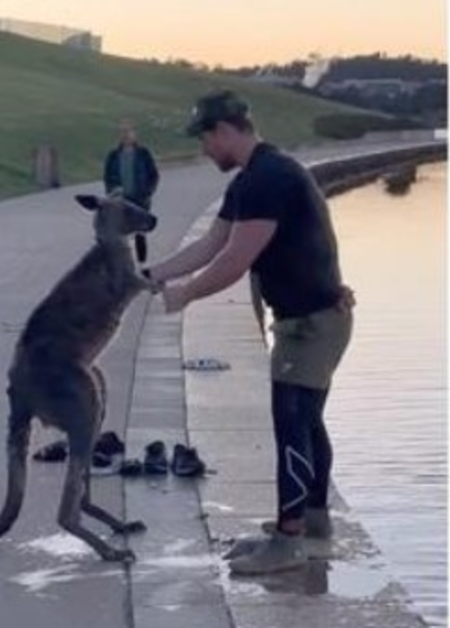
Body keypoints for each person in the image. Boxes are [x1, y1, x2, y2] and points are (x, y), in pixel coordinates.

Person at [143, 90, 353, 575]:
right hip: (312, 320)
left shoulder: (269, 179)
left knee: (292, 421)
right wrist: (155, 276)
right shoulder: (253, 178)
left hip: (312, 325)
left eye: (204, 139)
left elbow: (235, 261)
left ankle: (289, 540)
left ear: (223, 131)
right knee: (306, 420)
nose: (203, 150)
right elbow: (210, 243)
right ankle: (311, 519)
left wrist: (185, 295)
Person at [104, 119, 160, 263]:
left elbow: (153, 175)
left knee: (140, 234)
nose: (125, 135)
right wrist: (112, 193)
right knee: (120, 234)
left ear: (134, 134)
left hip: (140, 199)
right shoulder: (113, 156)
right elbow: (108, 177)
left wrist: (148, 192)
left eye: (128, 132)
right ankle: (124, 265)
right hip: (121, 200)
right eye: (122, 132)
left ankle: (142, 265)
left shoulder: (143, 154)